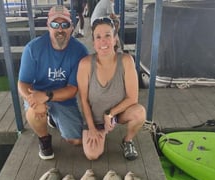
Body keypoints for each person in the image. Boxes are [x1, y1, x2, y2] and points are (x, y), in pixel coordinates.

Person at [17, 5, 88, 160]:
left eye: (65, 25)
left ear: (72, 27)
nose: (60, 29)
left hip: (63, 98)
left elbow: (72, 89)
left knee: (76, 140)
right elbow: (23, 83)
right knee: (36, 111)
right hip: (38, 94)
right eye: (55, 24)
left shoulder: (80, 51)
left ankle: (53, 117)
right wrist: (33, 99)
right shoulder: (33, 48)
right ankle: (44, 140)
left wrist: (47, 96)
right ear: (48, 26)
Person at [77, 17, 146, 161]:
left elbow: (132, 98)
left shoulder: (126, 61)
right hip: (94, 119)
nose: (103, 41)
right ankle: (98, 131)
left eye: (108, 35)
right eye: (98, 37)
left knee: (139, 113)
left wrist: (110, 114)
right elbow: (83, 100)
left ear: (115, 39)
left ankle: (127, 140)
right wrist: (92, 129)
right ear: (94, 43)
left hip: (117, 114)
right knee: (92, 154)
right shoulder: (85, 64)